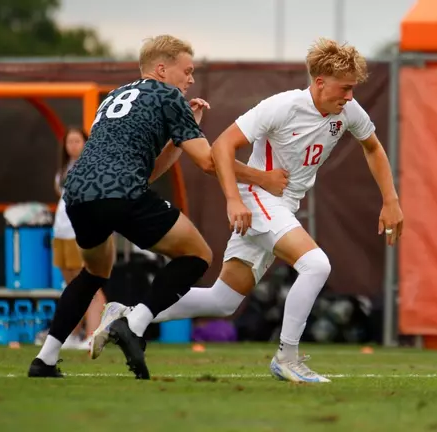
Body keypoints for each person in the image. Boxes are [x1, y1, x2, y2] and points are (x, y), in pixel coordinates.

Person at [91, 37, 404, 383]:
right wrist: (234, 199)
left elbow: (373, 147)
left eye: (353, 90)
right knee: (316, 265)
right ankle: (287, 357)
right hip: (259, 199)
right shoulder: (283, 106)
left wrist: (391, 201)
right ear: (319, 82)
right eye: (345, 89)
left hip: (282, 204)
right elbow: (223, 146)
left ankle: (128, 312)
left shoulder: (349, 111)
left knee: (223, 300)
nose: (349, 97)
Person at [28, 34, 287, 380]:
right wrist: (262, 178)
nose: (191, 79)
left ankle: (44, 359)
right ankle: (132, 323)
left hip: (77, 192)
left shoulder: (114, 97)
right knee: (197, 255)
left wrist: (182, 132)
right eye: (187, 71)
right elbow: (209, 163)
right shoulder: (168, 95)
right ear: (162, 69)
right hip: (121, 191)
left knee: (94, 274)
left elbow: (146, 170)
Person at [47, 127, 104, 350]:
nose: (72, 145)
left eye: (77, 141)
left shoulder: (91, 167)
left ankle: (94, 335)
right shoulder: (63, 171)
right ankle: (72, 334)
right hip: (60, 231)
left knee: (90, 284)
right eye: (69, 141)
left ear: (85, 143)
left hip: (79, 232)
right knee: (72, 286)